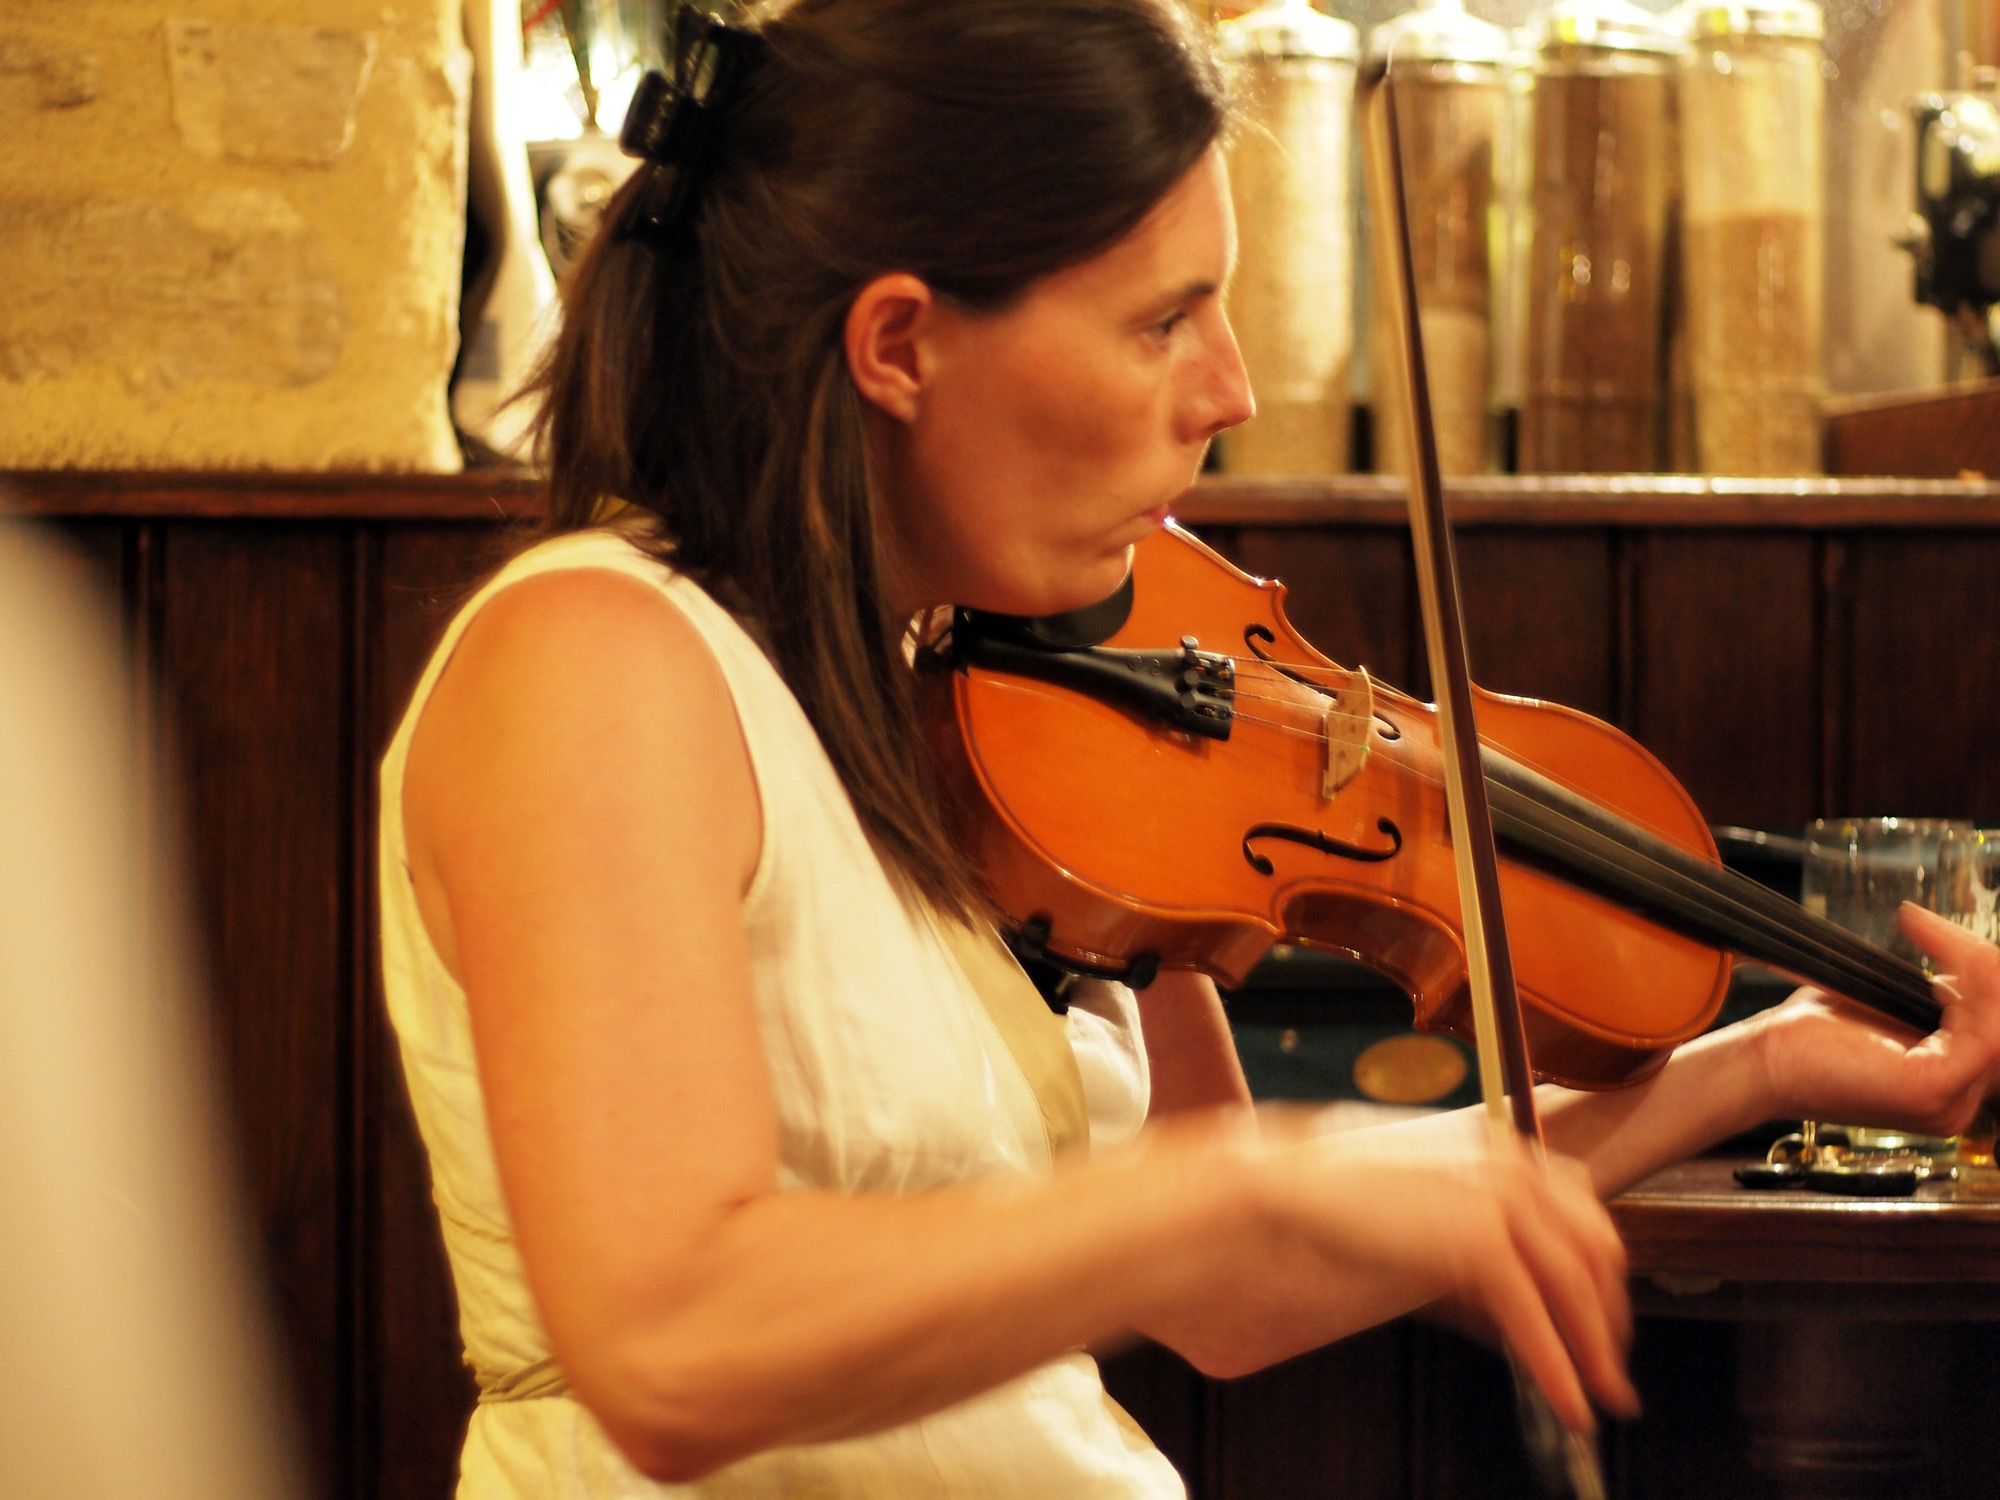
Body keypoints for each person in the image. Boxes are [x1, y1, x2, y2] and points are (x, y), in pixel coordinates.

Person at [379, 1, 2000, 1494]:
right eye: (1165, 320)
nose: (1230, 389)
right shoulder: (593, 663)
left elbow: (1237, 1280)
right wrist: (1231, 1188)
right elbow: (668, 1338)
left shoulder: (976, 728)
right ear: (898, 345)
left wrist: (1761, 1061)